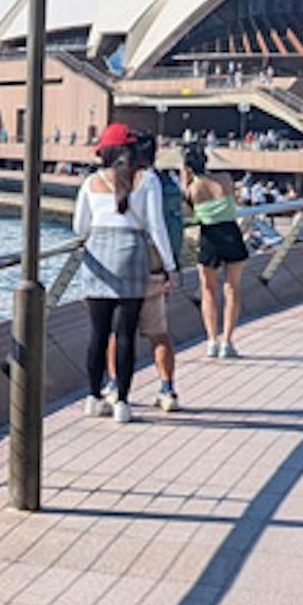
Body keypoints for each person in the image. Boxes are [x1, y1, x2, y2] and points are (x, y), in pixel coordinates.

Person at [73, 124, 176, 421]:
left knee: (98, 333)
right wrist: (169, 266)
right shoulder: (147, 180)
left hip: (97, 258)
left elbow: (79, 227)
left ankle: (93, 398)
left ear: (105, 151)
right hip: (133, 256)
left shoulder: (90, 182)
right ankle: (122, 403)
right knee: (126, 333)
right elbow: (156, 227)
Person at [132, 133, 184, 412]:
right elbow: (165, 229)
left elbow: (154, 225)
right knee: (159, 333)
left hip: (127, 266)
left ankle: (115, 386)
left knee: (119, 333)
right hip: (157, 266)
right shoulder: (168, 182)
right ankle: (167, 389)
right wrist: (171, 266)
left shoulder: (132, 181)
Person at [183, 145, 249, 358]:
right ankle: (227, 342)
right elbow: (234, 200)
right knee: (233, 289)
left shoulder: (193, 188)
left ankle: (212, 340)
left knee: (208, 290)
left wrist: (186, 180)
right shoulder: (225, 179)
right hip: (230, 231)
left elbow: (188, 213)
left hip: (209, 235)